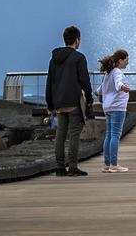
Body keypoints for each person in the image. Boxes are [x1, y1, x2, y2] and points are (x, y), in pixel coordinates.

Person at [46, 25, 93, 177]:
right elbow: (84, 80)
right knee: (74, 134)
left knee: (60, 134)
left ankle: (59, 167)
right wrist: (90, 99)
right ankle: (72, 166)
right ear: (77, 40)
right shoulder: (79, 58)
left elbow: (50, 81)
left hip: (59, 103)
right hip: (73, 101)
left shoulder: (54, 59)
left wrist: (50, 103)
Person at [97, 48, 131, 173]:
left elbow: (100, 89)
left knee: (109, 135)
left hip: (107, 107)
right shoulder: (116, 71)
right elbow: (118, 84)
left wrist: (96, 92)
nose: (127, 63)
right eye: (126, 60)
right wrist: (123, 87)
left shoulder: (108, 72)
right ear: (120, 60)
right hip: (117, 107)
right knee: (115, 135)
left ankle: (107, 164)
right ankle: (114, 164)